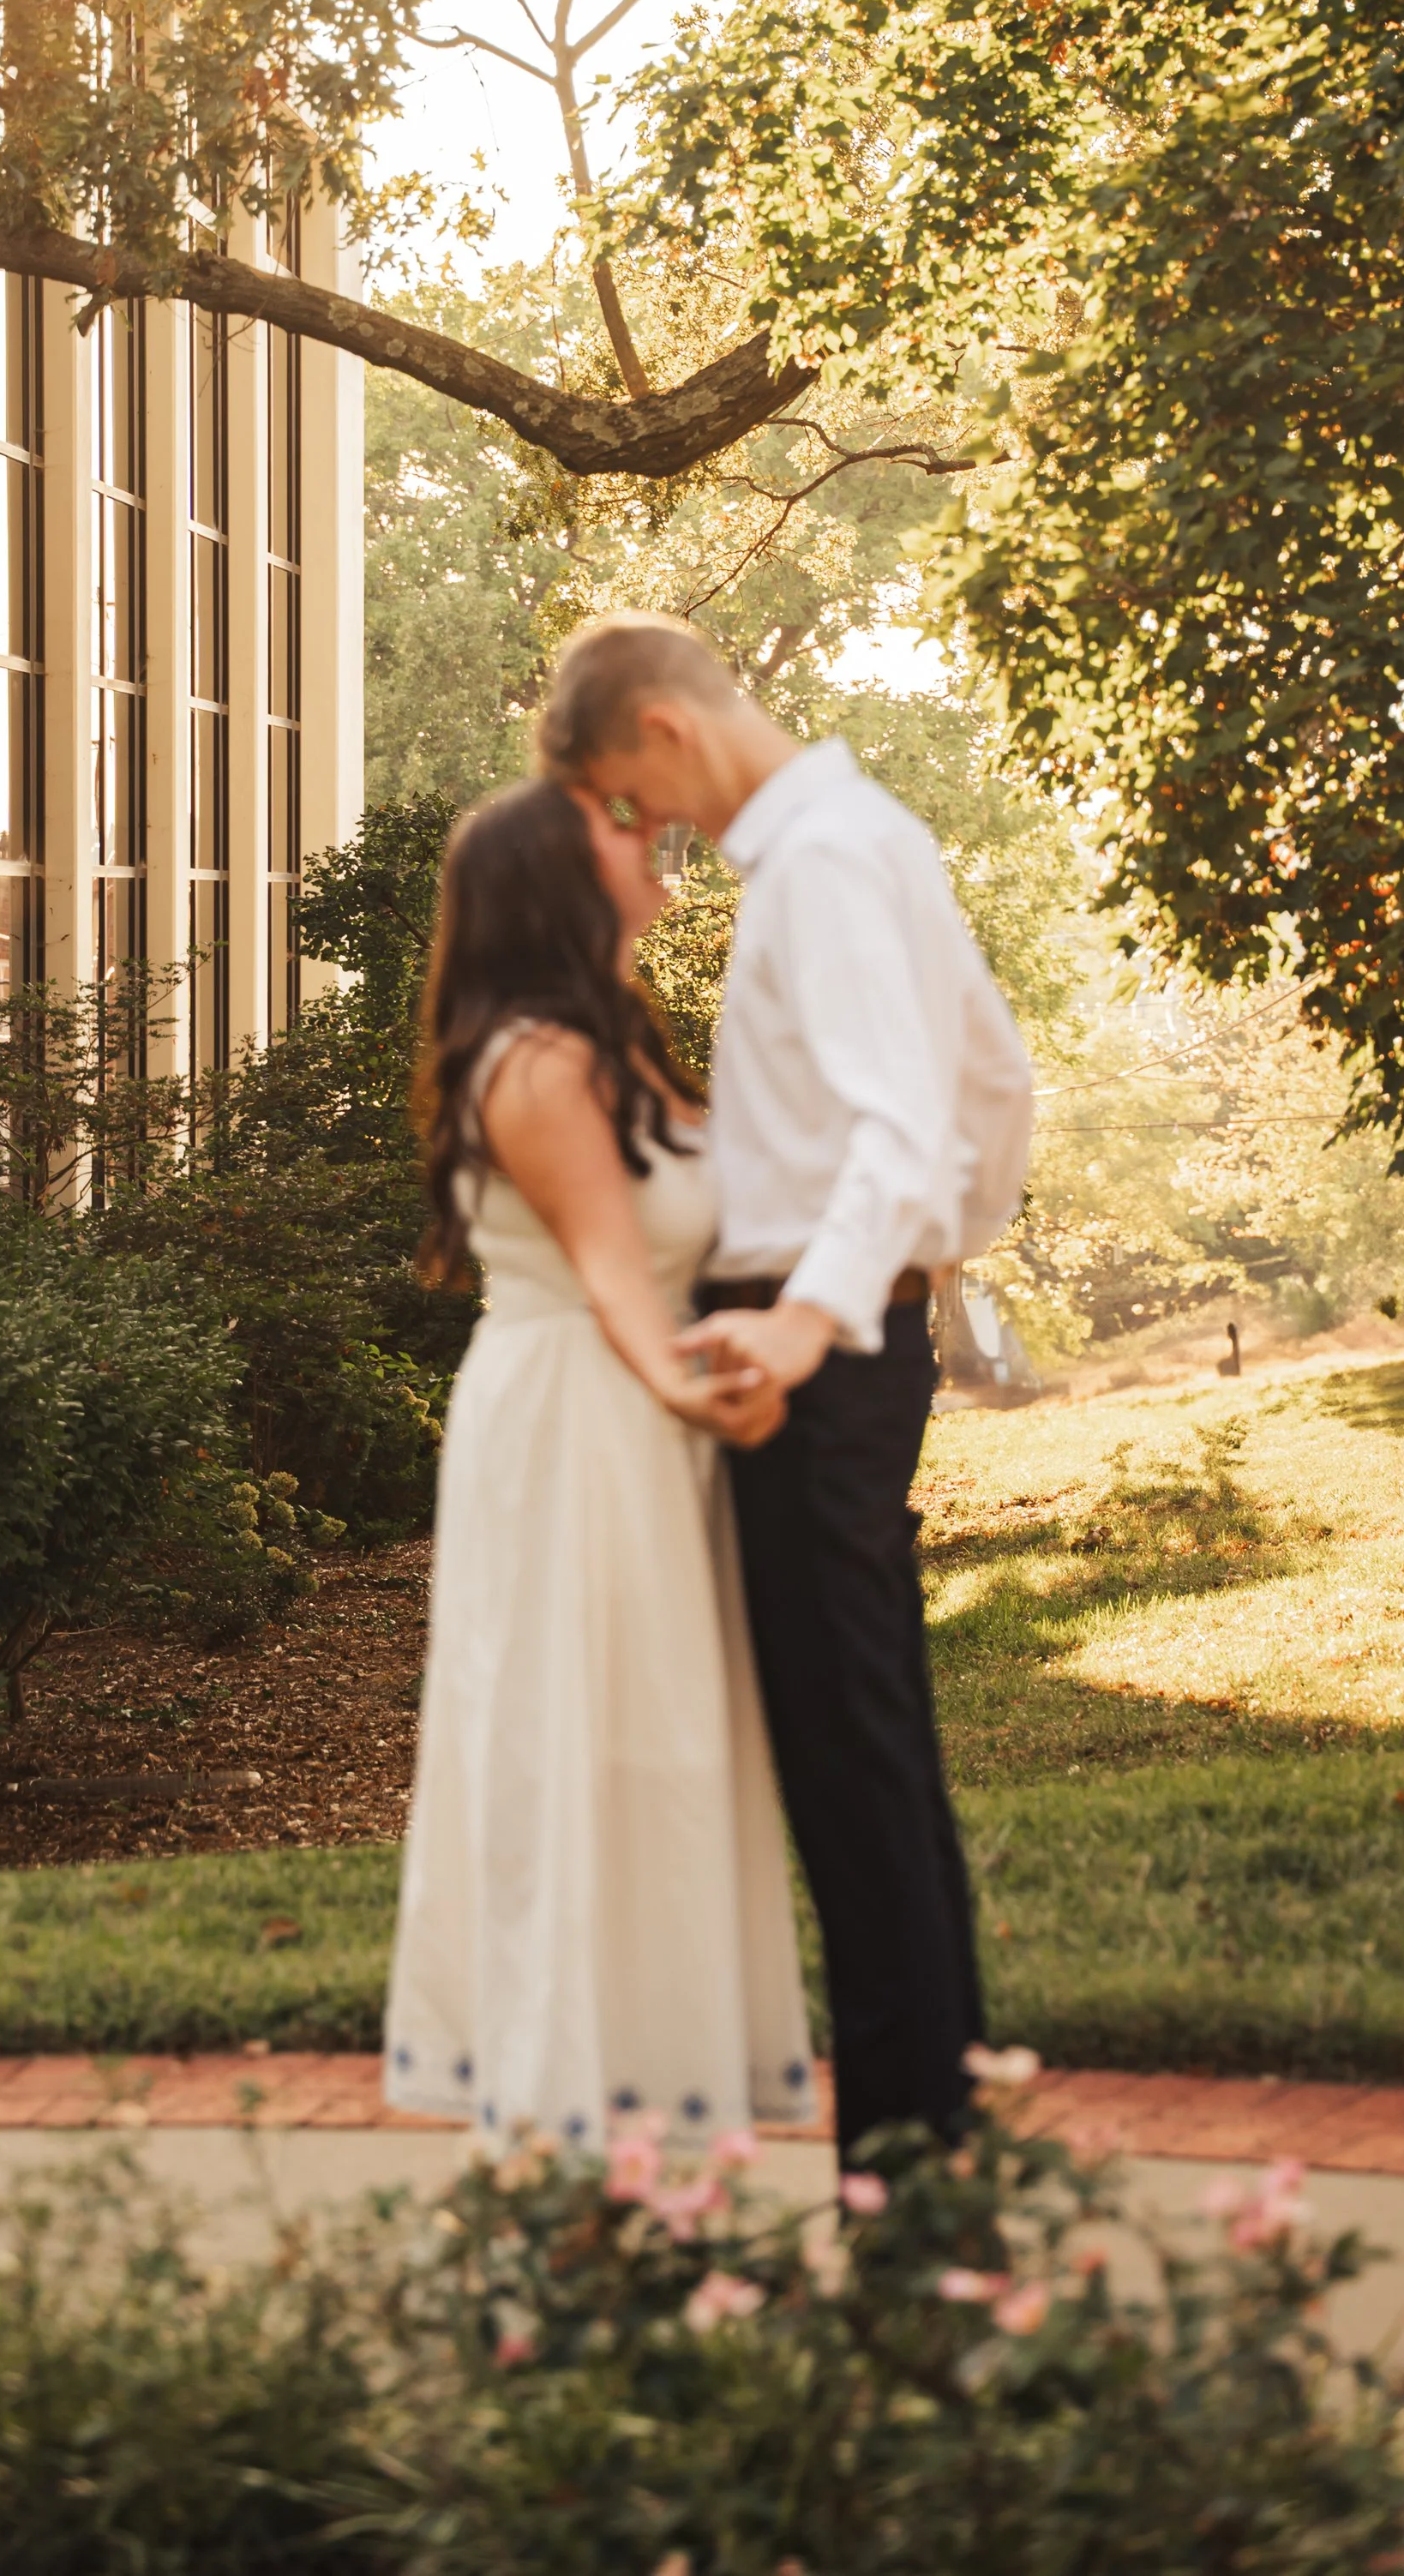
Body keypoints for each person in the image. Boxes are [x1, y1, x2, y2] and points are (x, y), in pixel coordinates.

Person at [537, 614, 1035, 2157]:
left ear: (664, 734)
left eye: (626, 794)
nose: (640, 828)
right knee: (870, 1742)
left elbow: (905, 1133)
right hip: (845, 1330)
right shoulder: (853, 839)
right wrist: (914, 1270)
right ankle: (935, 2130)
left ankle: (907, 2171)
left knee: (846, 1755)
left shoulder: (819, 864)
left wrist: (814, 1322)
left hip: (809, 1360)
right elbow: (994, 1083)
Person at [382, 775, 814, 2149]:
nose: (650, 837)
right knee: (580, 1750)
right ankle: (574, 2138)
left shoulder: (602, 1039)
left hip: (626, 1422)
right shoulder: (543, 1063)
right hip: (583, 1427)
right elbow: (620, 1285)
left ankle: (644, 2122)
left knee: (655, 1751)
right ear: (559, 883)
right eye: (618, 831)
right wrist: (723, 1398)